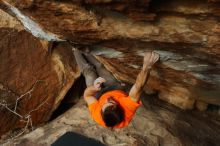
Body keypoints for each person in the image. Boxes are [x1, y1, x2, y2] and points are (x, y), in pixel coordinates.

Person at [73, 48, 159, 128]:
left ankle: (76, 49)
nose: (107, 99)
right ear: (120, 107)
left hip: (98, 96)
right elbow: (138, 86)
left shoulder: (97, 116)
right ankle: (84, 50)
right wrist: (147, 66)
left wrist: (94, 88)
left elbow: (87, 96)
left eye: (104, 104)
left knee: (89, 72)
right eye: (111, 102)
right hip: (114, 89)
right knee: (100, 66)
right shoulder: (127, 108)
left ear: (101, 111)